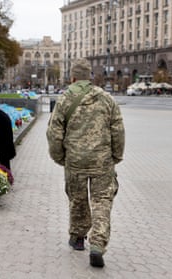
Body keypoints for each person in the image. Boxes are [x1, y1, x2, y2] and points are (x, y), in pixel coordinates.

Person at [46, 58, 125, 268]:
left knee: (78, 199)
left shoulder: (64, 99)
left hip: (75, 161)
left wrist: (59, 157)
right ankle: (98, 244)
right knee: (102, 201)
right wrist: (116, 155)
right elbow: (118, 129)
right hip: (102, 162)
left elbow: (54, 133)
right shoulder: (107, 98)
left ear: (72, 77)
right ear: (90, 77)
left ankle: (78, 238)